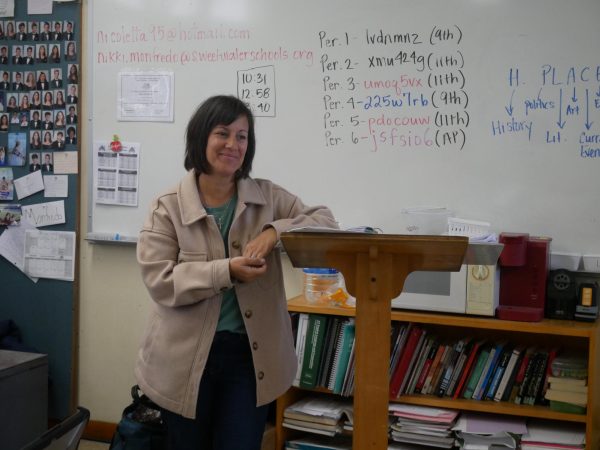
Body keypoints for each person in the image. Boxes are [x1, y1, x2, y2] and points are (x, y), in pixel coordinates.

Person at [135, 95, 337, 450]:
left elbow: (326, 221)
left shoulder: (268, 196)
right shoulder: (167, 207)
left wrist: (275, 231)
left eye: (242, 136)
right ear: (201, 138)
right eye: (223, 133)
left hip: (249, 358)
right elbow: (160, 280)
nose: (233, 144)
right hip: (184, 361)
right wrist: (226, 271)